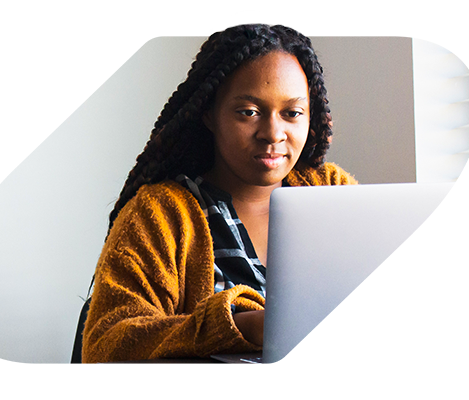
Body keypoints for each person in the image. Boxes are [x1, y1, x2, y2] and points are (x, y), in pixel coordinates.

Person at [81, 23, 358, 363]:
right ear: (209, 113)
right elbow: (106, 345)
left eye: (292, 113)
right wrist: (240, 327)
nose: (273, 133)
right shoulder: (160, 214)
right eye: (249, 112)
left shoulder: (331, 192)